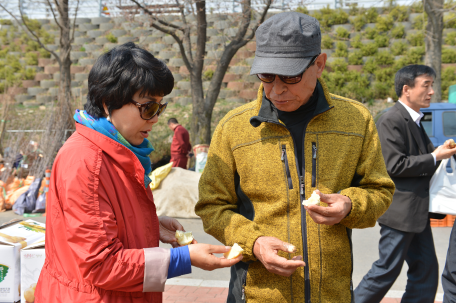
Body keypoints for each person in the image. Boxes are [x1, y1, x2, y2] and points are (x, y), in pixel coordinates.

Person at [195, 12, 395, 303]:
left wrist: (350, 205)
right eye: (266, 76)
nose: (276, 90)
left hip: (333, 295)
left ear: (319, 64)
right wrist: (255, 243)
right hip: (255, 294)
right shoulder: (234, 127)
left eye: (290, 76)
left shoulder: (356, 120)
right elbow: (211, 207)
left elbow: (380, 190)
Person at [35, 42, 242, 303]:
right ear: (108, 103)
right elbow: (101, 264)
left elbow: (107, 223)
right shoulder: (86, 161)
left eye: (159, 107)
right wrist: (183, 259)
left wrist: (151, 225)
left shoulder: (116, 151)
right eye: (148, 107)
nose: (155, 118)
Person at [355, 65, 456, 303]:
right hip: (400, 212)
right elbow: (394, 165)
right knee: (386, 269)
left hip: (414, 213)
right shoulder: (391, 119)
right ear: (406, 89)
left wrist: (440, 152)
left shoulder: (413, 119)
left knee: (425, 270)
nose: (432, 91)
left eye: (432, 85)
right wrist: (435, 156)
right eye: (426, 85)